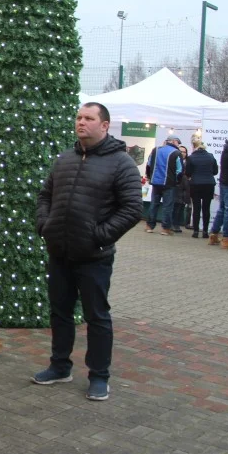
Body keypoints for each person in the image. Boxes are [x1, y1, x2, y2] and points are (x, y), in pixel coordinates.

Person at [34, 103, 141, 401]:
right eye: (79, 117)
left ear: (104, 125)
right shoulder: (65, 159)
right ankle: (59, 366)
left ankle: (99, 376)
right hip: (60, 251)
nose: (81, 123)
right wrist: (45, 224)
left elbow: (133, 209)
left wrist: (100, 236)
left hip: (94, 256)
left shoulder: (121, 163)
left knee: (97, 317)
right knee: (60, 312)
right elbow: (45, 196)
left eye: (89, 118)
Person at [144, 137, 182, 236]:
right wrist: (177, 182)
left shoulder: (155, 150)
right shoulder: (176, 153)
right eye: (178, 143)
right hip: (169, 184)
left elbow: (148, 165)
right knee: (167, 206)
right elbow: (179, 171)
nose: (178, 145)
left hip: (156, 182)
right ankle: (165, 228)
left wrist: (149, 177)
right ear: (174, 142)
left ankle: (149, 226)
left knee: (154, 204)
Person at [185, 136, 218, 238]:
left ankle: (195, 231)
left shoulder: (191, 157)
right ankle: (205, 231)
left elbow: (188, 172)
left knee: (196, 208)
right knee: (206, 208)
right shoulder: (211, 156)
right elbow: (215, 171)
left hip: (195, 184)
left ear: (194, 147)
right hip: (209, 184)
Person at [172, 144, 191, 232]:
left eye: (184, 152)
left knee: (182, 206)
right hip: (176, 185)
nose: (183, 153)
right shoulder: (174, 160)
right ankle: (174, 224)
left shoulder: (188, 162)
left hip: (186, 187)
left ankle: (178, 224)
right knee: (176, 205)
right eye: (181, 151)